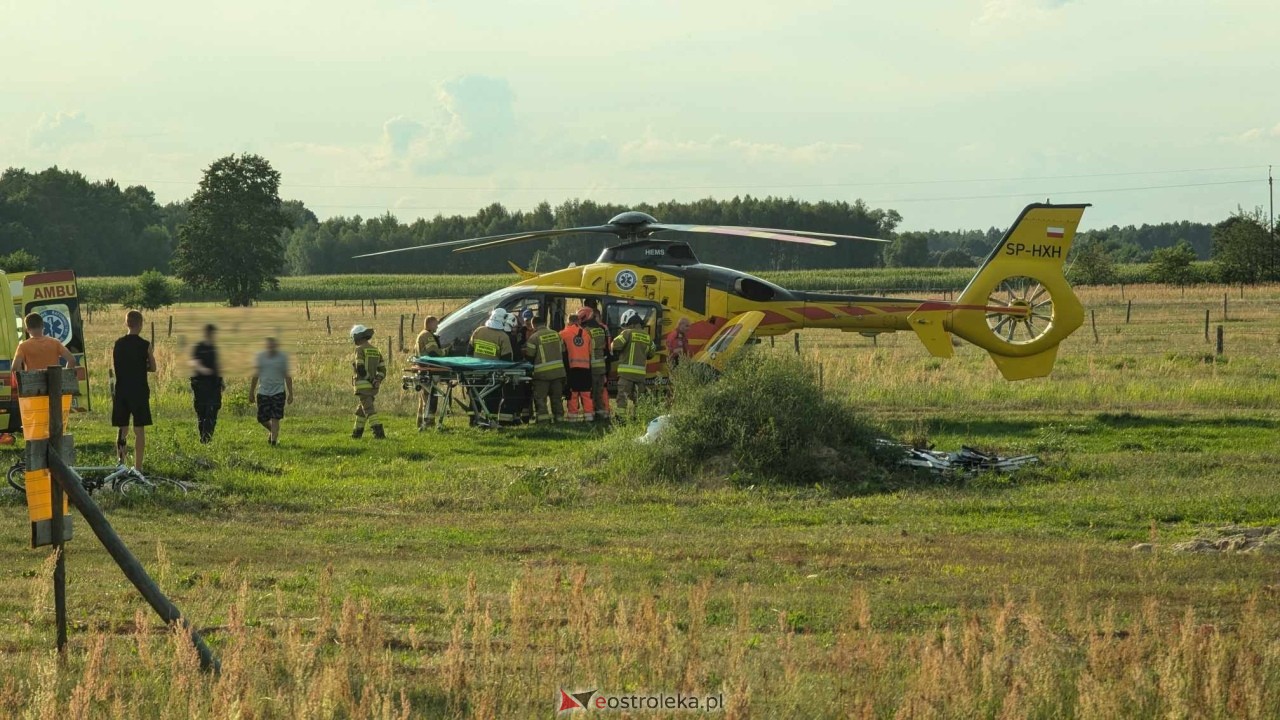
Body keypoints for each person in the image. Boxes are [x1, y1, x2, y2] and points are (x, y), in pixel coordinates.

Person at [112, 310, 156, 470]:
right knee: (139, 430)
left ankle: (121, 463)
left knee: (122, 428)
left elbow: (117, 365)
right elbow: (153, 367)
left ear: (126, 323)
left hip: (122, 390)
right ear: (141, 324)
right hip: (139, 390)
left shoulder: (118, 343)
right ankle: (138, 467)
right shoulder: (145, 345)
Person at [611, 309, 655, 418]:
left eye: (626, 325)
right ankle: (638, 419)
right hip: (640, 376)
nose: (625, 328)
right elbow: (651, 353)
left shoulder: (627, 333)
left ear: (631, 324)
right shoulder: (648, 337)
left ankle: (620, 419)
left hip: (626, 374)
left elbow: (615, 345)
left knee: (622, 397)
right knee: (639, 399)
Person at [250, 337, 293, 446]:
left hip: (278, 392)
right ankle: (272, 430)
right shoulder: (260, 357)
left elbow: (287, 376)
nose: (271, 346)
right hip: (263, 392)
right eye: (269, 344)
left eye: (273, 344)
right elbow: (255, 375)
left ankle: (273, 441)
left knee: (275, 417)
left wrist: (290, 393)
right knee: (262, 418)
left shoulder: (282, 358)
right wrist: (251, 392)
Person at [523, 314, 566, 423]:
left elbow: (529, 357)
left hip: (542, 375)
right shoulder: (556, 334)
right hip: (558, 373)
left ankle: (543, 422)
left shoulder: (534, 338)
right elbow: (564, 352)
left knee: (541, 399)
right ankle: (559, 420)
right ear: (545, 324)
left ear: (533, 325)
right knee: (557, 398)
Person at [349, 324, 386, 439]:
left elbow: (360, 368)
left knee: (369, 409)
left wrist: (371, 379)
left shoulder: (359, 350)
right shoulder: (376, 350)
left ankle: (379, 434)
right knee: (362, 410)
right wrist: (377, 380)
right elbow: (383, 369)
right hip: (373, 387)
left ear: (357, 337)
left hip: (363, 386)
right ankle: (356, 433)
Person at [12, 312, 78, 374]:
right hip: (55, 384)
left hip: (33, 384)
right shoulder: (55, 343)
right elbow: (72, 360)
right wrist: (64, 376)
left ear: (27, 329)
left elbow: (15, 368)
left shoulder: (23, 346)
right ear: (43, 326)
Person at [189, 324, 223, 443]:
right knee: (202, 412)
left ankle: (206, 438)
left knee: (212, 411)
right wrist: (202, 369)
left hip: (214, 385)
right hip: (200, 385)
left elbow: (218, 366)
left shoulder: (215, 348)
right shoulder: (199, 347)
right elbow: (193, 362)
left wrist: (221, 381)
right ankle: (203, 435)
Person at [577, 306, 611, 421]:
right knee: (599, 392)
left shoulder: (586, 331)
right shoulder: (600, 329)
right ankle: (601, 414)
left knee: (591, 393)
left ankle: (591, 415)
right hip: (601, 366)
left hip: (591, 367)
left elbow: (585, 349)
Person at [560, 314, 594, 421]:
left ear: (568, 321)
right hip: (586, 368)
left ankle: (573, 417)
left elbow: (561, 351)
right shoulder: (586, 334)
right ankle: (589, 417)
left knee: (573, 393)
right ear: (578, 321)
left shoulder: (562, 334)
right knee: (586, 393)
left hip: (572, 368)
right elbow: (590, 352)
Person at [414, 315, 442, 430]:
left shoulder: (421, 334)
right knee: (431, 397)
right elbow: (433, 353)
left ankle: (420, 422)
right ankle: (429, 423)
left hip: (422, 370)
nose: (437, 326)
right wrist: (446, 351)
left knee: (424, 398)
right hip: (428, 370)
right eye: (436, 324)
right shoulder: (427, 336)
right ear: (430, 324)